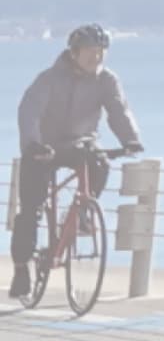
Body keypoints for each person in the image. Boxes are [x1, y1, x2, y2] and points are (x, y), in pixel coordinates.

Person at [14, 23, 146, 300]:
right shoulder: (49, 79)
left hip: (79, 144)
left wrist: (130, 140)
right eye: (90, 51)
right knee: (30, 209)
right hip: (44, 147)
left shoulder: (107, 80)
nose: (96, 57)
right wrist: (33, 144)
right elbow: (29, 110)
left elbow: (118, 110)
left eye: (101, 52)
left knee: (99, 163)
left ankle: (83, 211)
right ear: (73, 53)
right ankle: (22, 269)